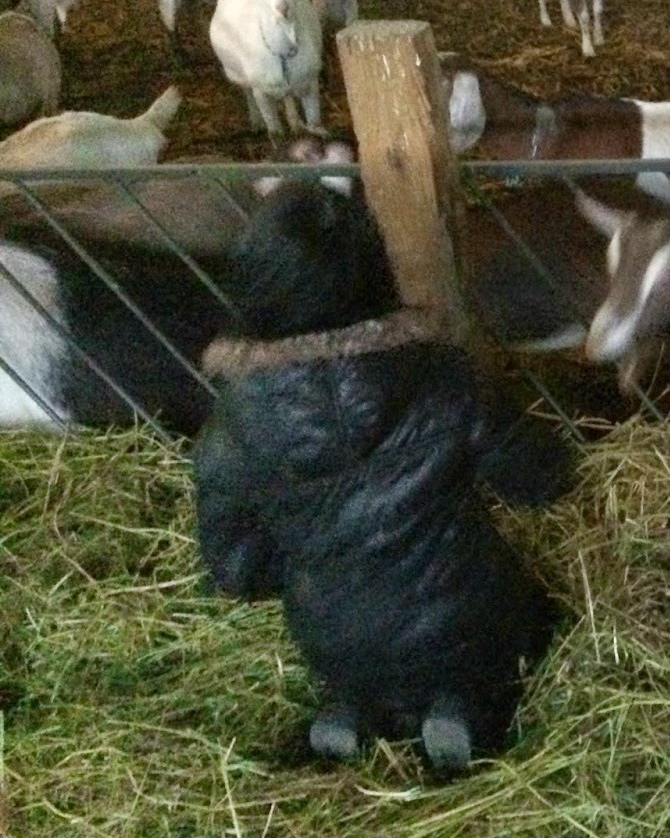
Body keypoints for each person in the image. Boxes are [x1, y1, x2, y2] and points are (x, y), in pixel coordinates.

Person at [192, 179, 571, 773]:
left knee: (364, 660)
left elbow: (237, 573)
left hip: (334, 641)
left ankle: (354, 711)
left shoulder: (231, 426)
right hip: (469, 618)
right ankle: (472, 712)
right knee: (539, 621)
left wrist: (312, 558)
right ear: (374, 273)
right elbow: (540, 476)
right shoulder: (442, 376)